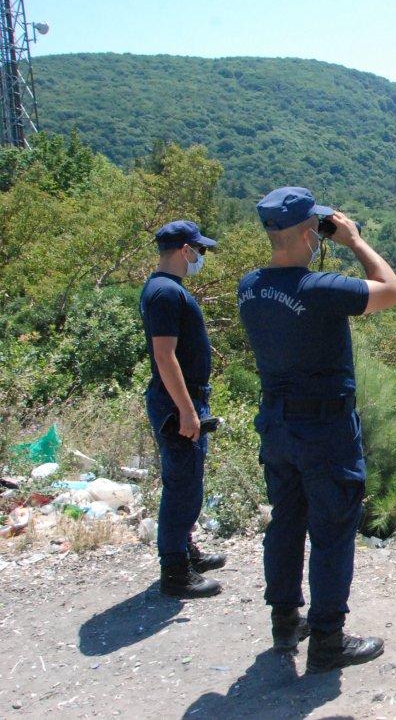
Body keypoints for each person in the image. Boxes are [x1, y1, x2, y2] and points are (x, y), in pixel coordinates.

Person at [238, 187, 396, 671]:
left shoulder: (248, 286)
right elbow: (392, 290)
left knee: (286, 522)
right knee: (332, 529)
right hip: (325, 426)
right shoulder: (320, 289)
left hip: (276, 423)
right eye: (316, 228)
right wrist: (353, 241)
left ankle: (286, 622)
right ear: (307, 232)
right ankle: (328, 639)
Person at [139, 220, 226, 599]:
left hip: (184, 397)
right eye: (199, 250)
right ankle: (175, 571)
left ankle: (184, 551)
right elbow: (164, 355)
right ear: (183, 250)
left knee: (188, 481)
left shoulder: (167, 289)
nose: (200, 256)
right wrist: (187, 411)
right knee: (182, 485)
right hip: (179, 401)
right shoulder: (164, 293)